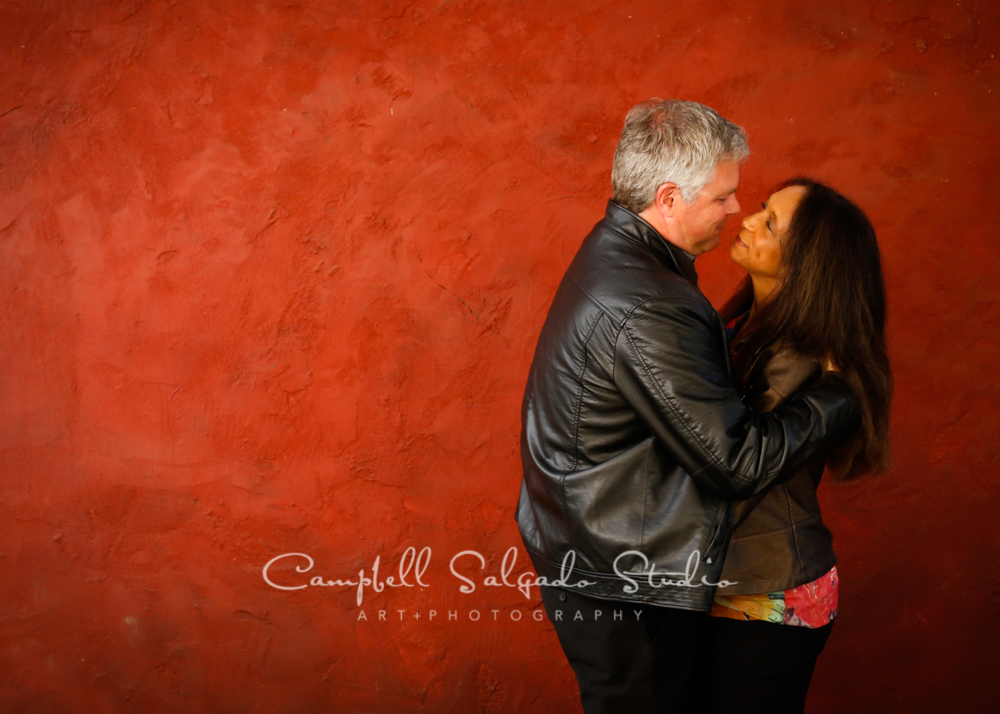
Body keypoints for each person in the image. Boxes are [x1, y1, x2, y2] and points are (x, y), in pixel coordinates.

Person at [514, 99, 861, 714]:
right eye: (725, 196)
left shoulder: (622, 255)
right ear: (669, 198)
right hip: (621, 572)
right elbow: (736, 461)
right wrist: (837, 395)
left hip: (600, 547)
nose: (735, 210)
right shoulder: (650, 300)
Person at [696, 178, 892, 713]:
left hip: (769, 591)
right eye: (762, 209)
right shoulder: (743, 323)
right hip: (735, 576)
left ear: (810, 264)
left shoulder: (799, 356)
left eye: (771, 224)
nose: (748, 220)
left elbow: (732, 469)